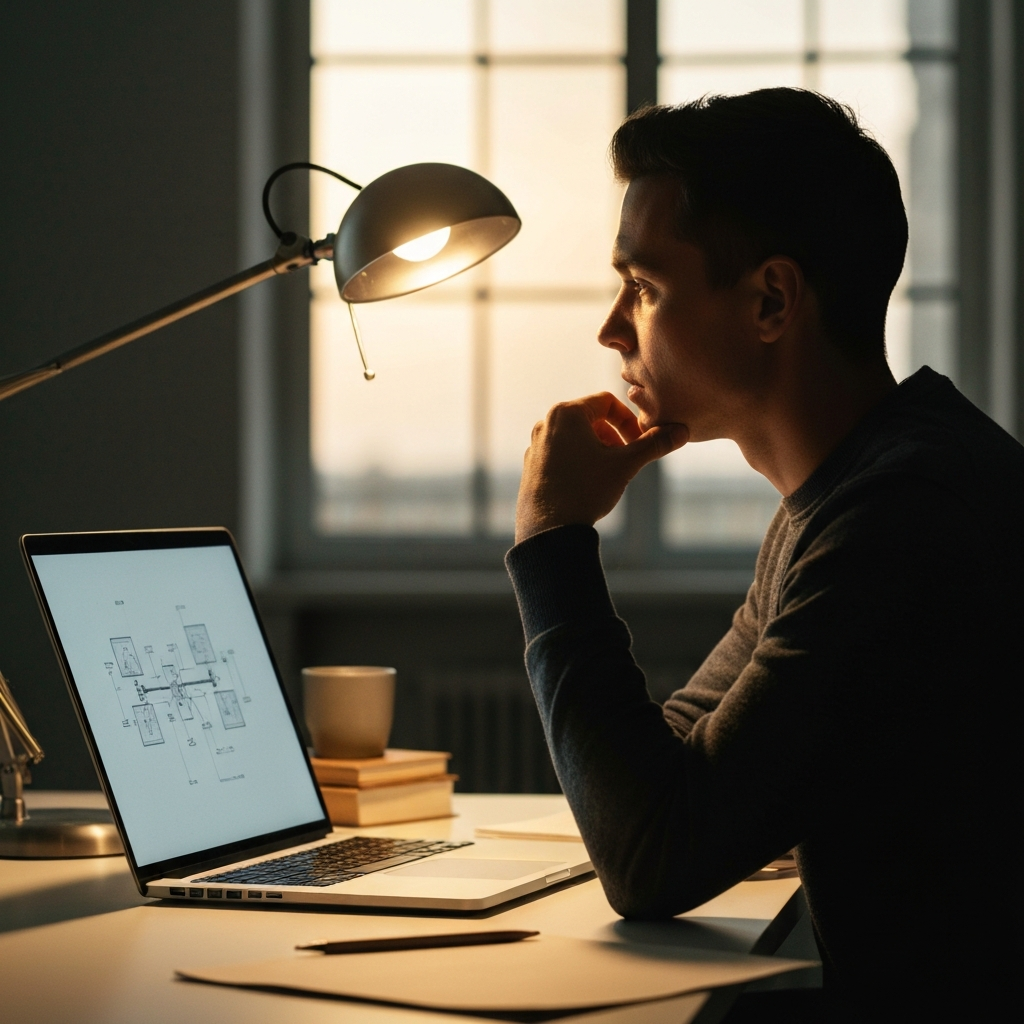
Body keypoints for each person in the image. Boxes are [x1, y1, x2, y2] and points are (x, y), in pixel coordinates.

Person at [505, 89, 1022, 1021]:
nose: (613, 329)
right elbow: (672, 772)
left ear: (773, 300)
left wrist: (552, 542)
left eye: (646, 287)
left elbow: (650, 853)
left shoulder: (905, 519)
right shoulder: (847, 495)